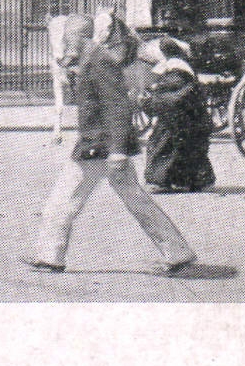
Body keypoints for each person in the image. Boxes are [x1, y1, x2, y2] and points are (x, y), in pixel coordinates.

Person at [23, 14, 197, 275]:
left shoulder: (99, 61)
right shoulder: (90, 59)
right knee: (137, 200)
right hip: (104, 145)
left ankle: (50, 257)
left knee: (62, 200)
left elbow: (116, 107)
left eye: (68, 36)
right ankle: (178, 252)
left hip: (100, 147)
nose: (64, 42)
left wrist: (117, 152)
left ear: (78, 36)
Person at [140, 47, 216, 193]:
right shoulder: (186, 77)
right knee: (189, 148)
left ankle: (160, 181)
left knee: (164, 142)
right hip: (193, 125)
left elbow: (166, 102)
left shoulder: (174, 77)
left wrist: (145, 103)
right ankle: (196, 180)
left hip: (176, 125)